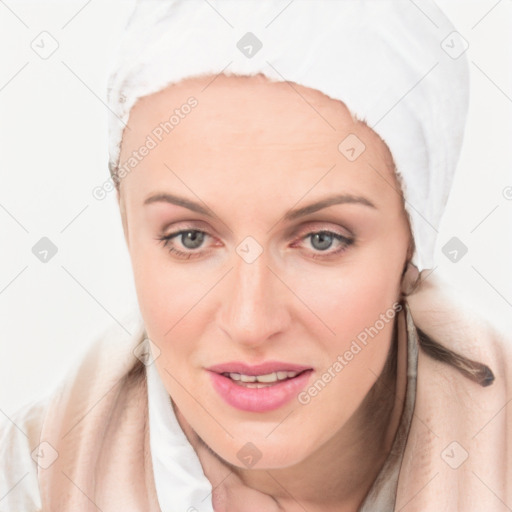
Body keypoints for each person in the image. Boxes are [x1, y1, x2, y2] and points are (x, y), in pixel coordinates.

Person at [1, 1, 511, 511]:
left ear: (411, 249)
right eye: (191, 238)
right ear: (127, 226)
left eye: (322, 240)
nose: (251, 323)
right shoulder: (26, 485)